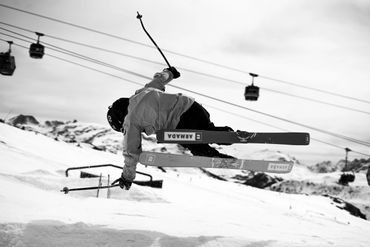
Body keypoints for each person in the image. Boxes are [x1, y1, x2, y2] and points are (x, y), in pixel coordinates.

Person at [107, 67, 233, 190]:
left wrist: (127, 177)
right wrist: (170, 72)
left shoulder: (130, 120)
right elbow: (160, 78)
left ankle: (222, 160)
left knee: (199, 148)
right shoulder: (144, 91)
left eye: (122, 128)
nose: (124, 130)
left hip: (181, 124)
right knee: (208, 131)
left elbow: (131, 152)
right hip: (193, 107)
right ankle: (229, 135)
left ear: (121, 120)